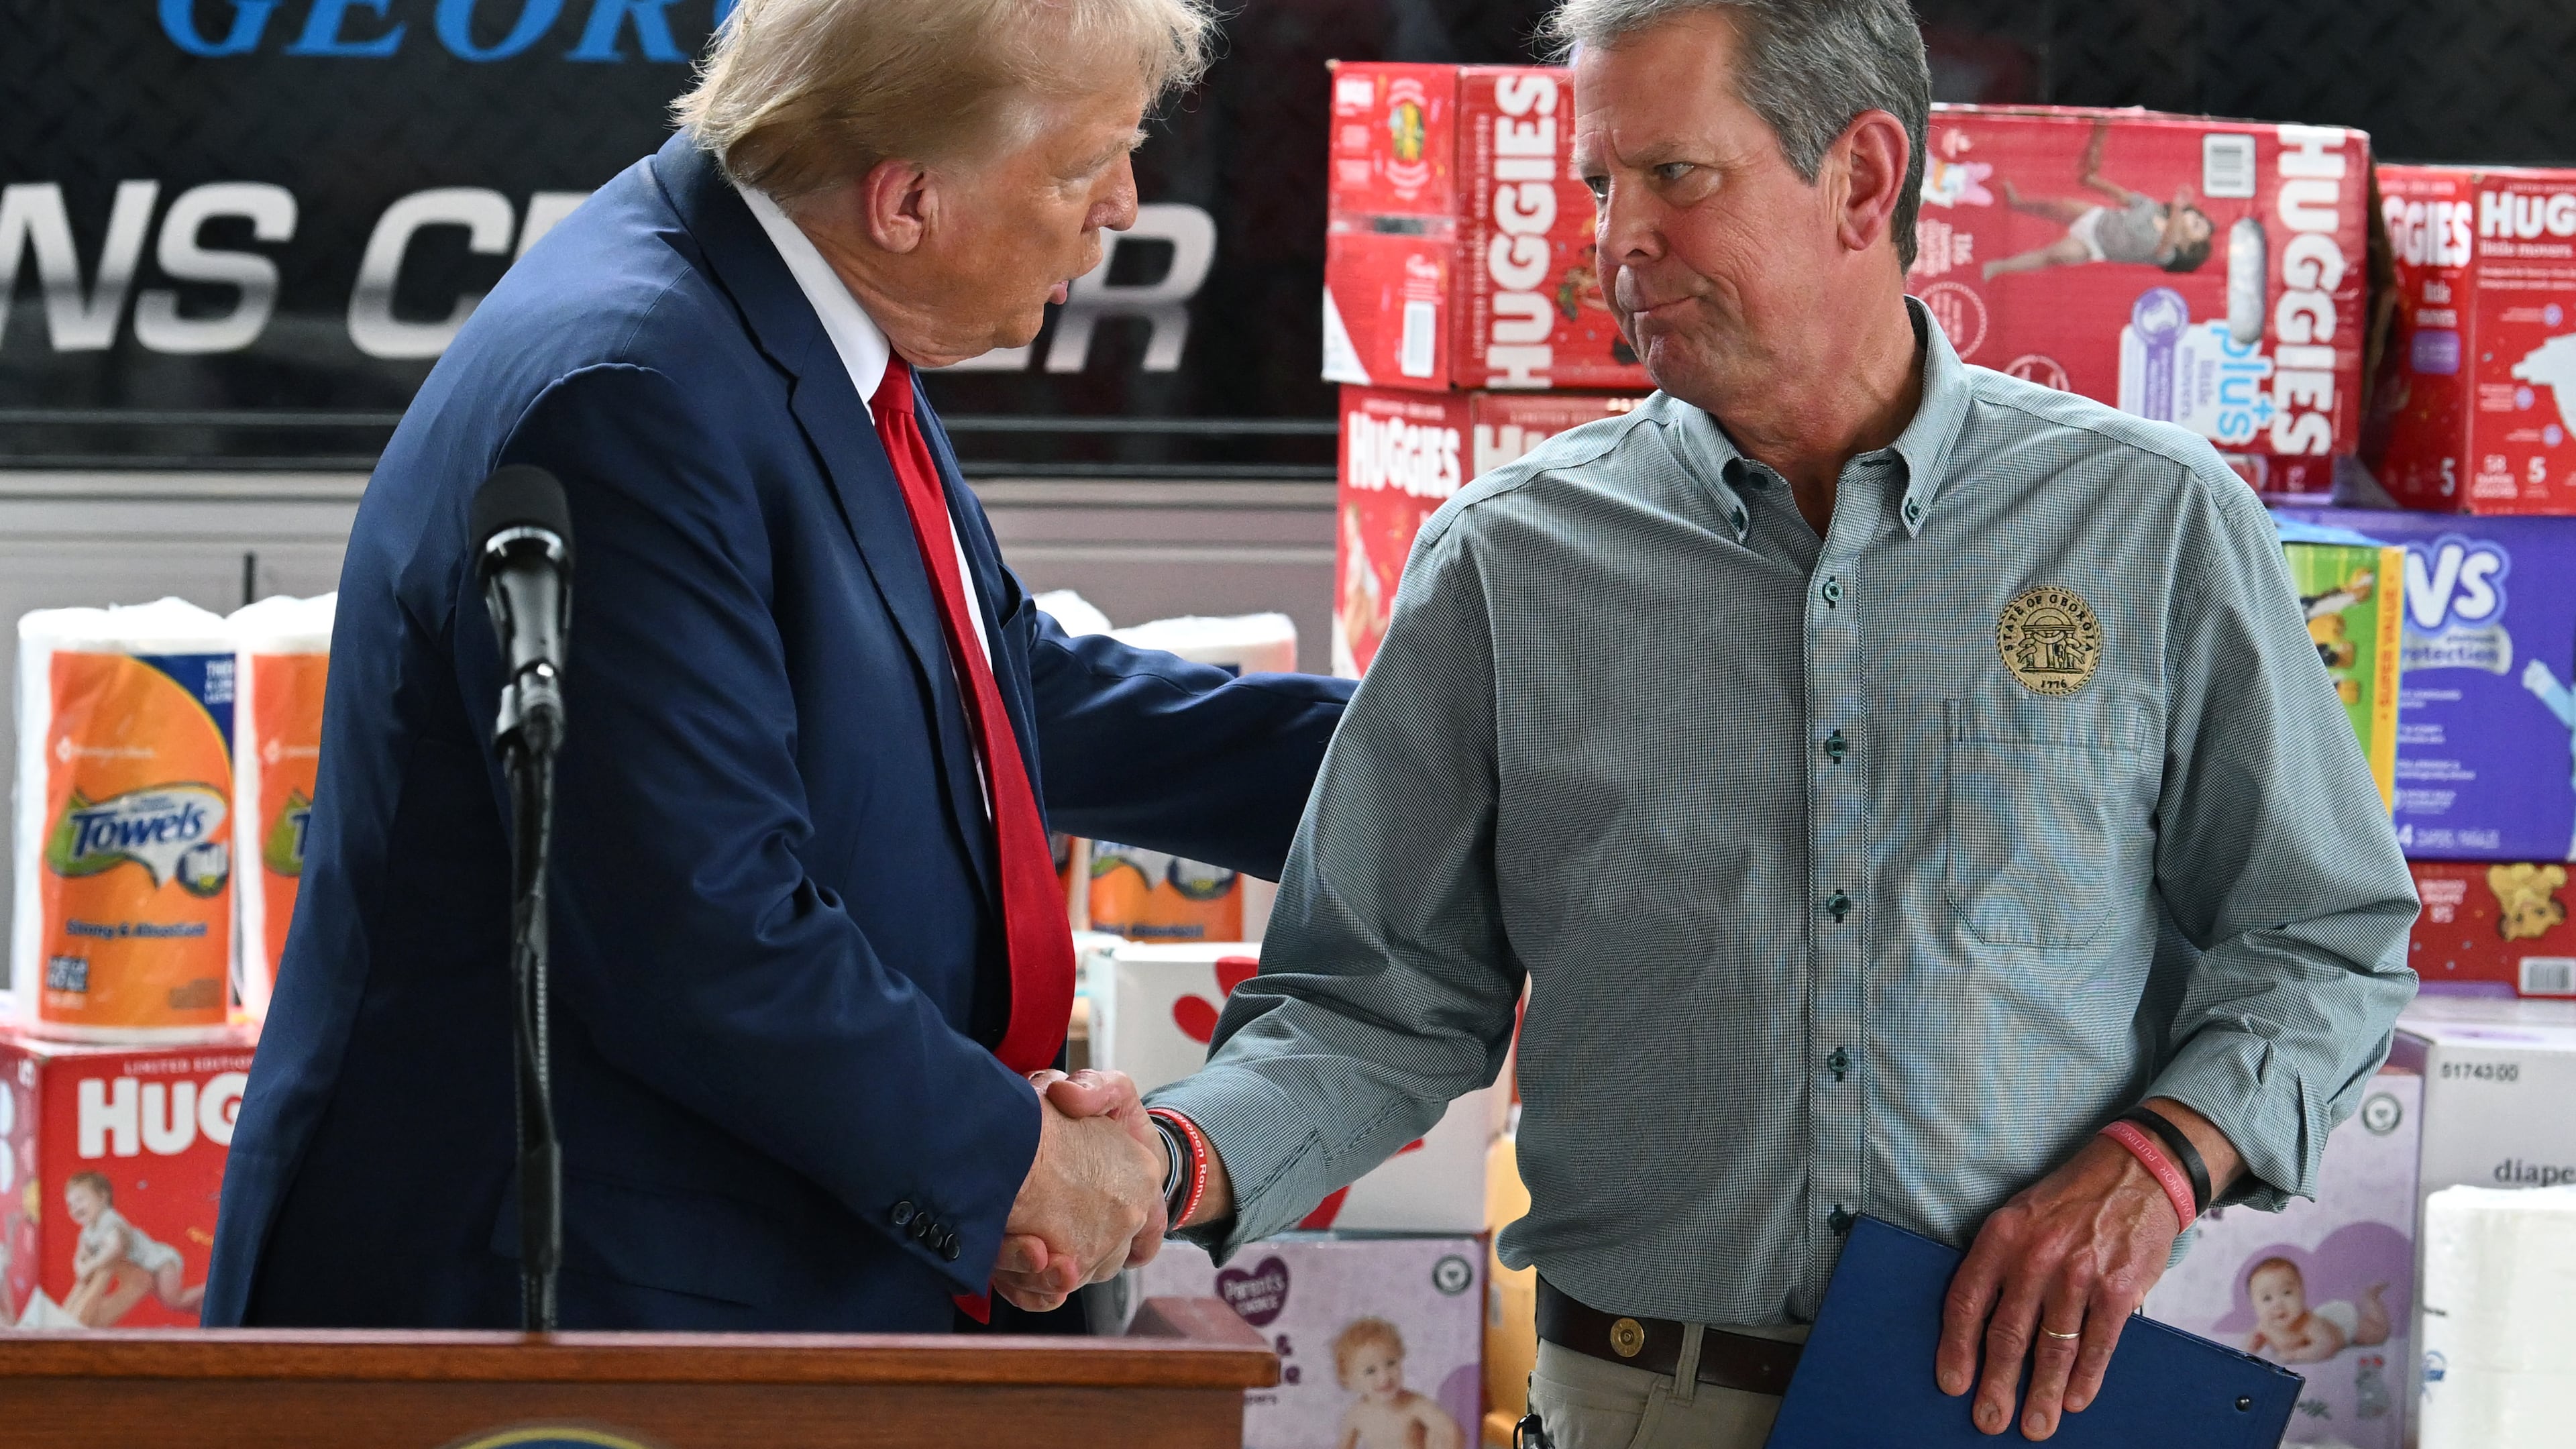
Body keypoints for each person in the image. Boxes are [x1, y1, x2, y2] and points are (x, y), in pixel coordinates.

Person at [1128, 1, 2418, 1445]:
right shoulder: (1506, 562)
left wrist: (2162, 1162)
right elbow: (1371, 1003)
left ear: (1864, 179)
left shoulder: (2150, 523)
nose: (1617, 238)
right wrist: (1165, 1166)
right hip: (1637, 1407)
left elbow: (2323, 935)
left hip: (2015, 1411)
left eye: (1675, 175)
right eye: (1600, 184)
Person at [205, 0, 1349, 1332]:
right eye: (1082, 162)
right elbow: (699, 930)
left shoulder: (780, 305)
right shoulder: (632, 393)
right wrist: (1012, 1167)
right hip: (563, 1312)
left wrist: (1434, 767)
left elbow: (990, 689)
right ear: (909, 199)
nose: (1126, 206)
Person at [1982, 118, 2214, 280]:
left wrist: (2177, 209)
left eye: (2198, 228)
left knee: (2057, 255)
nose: (2197, 220)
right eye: (2198, 218)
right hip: (2097, 218)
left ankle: (1997, 267)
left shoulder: (2167, 254)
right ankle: (2017, 203)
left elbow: (2167, 240)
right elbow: (2121, 196)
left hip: (2094, 246)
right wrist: (2093, 180)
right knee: (2054, 206)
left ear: (2188, 246)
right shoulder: (2151, 208)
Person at [63, 1173, 202, 1326]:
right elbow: (80, 1255)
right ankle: (211, 1311)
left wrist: (91, 1266)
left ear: (103, 1197)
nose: (75, 1207)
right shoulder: (88, 1231)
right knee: (185, 1305)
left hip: (160, 1263)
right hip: (145, 1269)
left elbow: (115, 1249)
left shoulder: (110, 1220)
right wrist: (80, 1267)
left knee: (174, 1300)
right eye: (70, 1205)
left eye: (80, 1200)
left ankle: (212, 1287)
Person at [1334, 1318, 1463, 1449]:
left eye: (1391, 1363)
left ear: (1400, 1357)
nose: (1384, 1378)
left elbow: (1451, 1429)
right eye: (1370, 1371)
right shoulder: (1357, 1414)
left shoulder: (1415, 1405)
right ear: (1349, 1381)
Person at [2243, 1257, 2390, 1365]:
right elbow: (2248, 1348)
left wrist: (2295, 1355)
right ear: (2253, 1305)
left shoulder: (2309, 1323)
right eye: (2267, 1298)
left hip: (2343, 1326)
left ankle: (2370, 1299)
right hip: (2326, 1318)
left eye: (2287, 1293)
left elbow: (2328, 1346)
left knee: (2378, 1334)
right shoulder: (2263, 1327)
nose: (2278, 1304)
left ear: (2302, 1293)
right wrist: (2250, 1350)